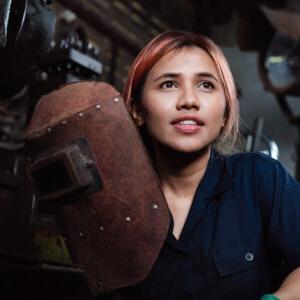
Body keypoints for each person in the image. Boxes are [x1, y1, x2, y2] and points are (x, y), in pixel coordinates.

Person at [118, 30, 300, 300]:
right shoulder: (120, 208)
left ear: (225, 113)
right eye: (169, 84)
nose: (189, 100)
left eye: (206, 85)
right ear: (136, 109)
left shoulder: (260, 179)